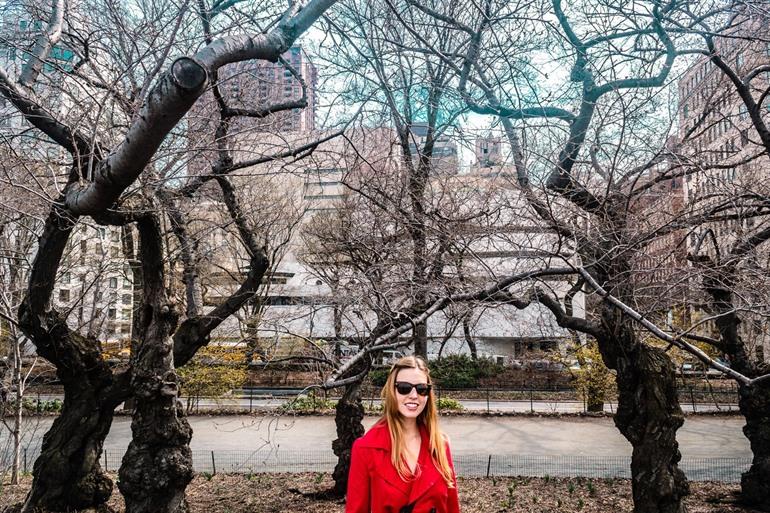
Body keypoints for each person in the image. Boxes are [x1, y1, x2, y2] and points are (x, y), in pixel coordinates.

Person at [345, 355, 460, 513]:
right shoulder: (365, 448)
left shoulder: (440, 444)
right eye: (404, 388)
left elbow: (452, 507)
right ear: (392, 391)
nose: (413, 395)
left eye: (421, 389)